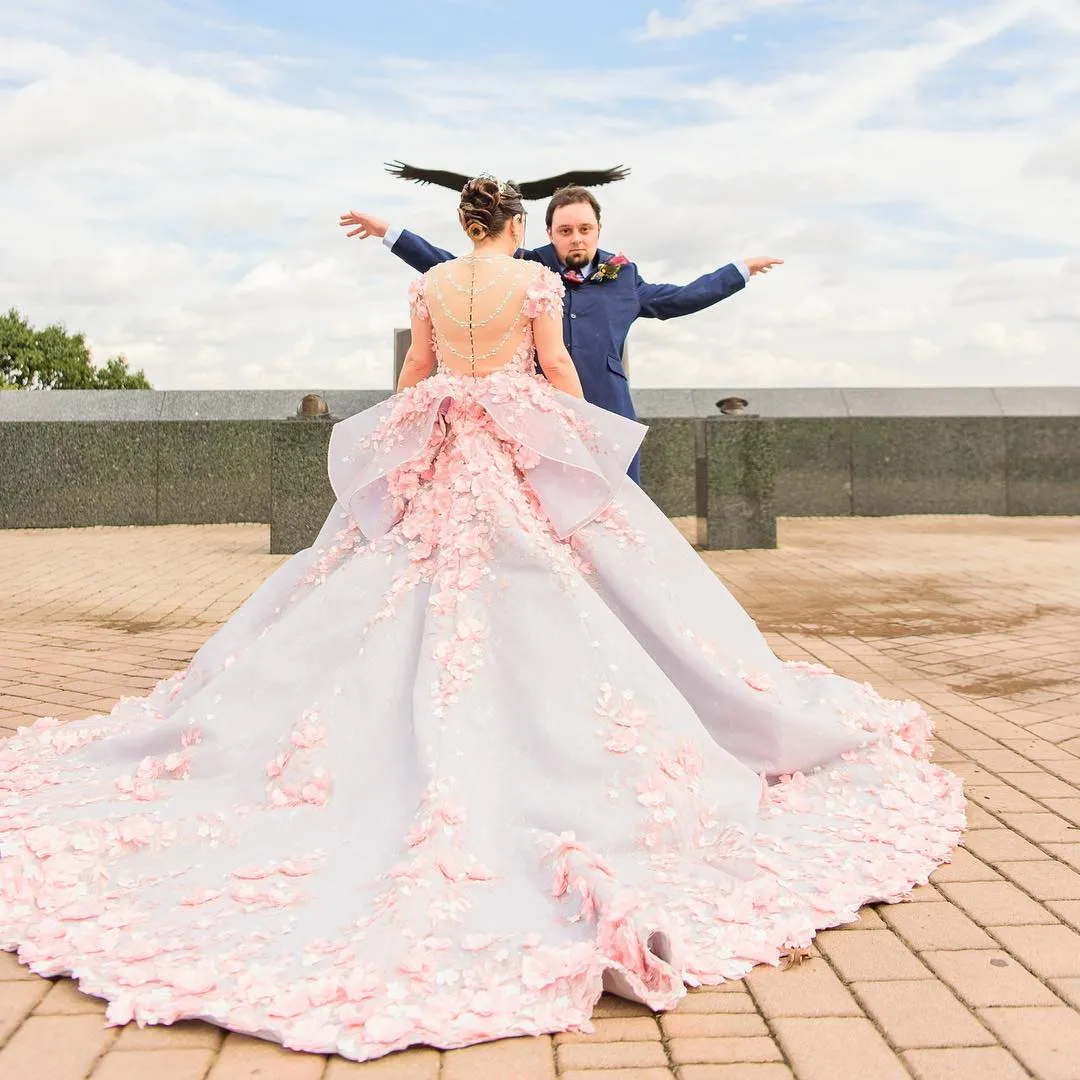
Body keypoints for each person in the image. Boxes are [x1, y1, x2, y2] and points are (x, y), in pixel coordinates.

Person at [0, 177, 962, 1065]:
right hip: (508, 441)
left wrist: (411, 438)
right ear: (515, 227)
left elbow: (417, 372)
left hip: (444, 438)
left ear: (466, 226)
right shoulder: (534, 288)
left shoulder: (437, 287)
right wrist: (579, 448)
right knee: (547, 572)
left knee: (387, 577)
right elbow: (553, 373)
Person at [340, 189, 783, 484]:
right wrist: (391, 234)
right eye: (565, 230)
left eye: (584, 229)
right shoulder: (526, 269)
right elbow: (454, 268)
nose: (576, 238)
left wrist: (738, 271)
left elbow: (683, 297)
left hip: (608, 410)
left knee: (619, 511)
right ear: (548, 232)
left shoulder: (625, 278)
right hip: (533, 423)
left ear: (598, 230)